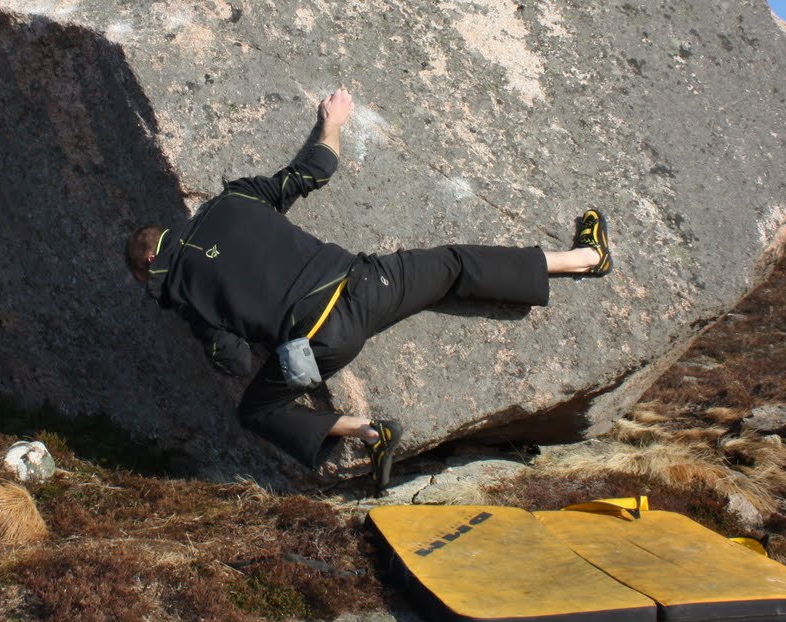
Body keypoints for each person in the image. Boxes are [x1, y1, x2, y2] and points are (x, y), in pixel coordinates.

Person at [125, 87, 611, 492]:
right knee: (453, 265)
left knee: (255, 410)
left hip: (318, 344)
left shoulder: (183, 297)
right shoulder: (231, 200)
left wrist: (215, 331)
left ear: (151, 263)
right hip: (363, 283)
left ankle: (366, 431)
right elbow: (314, 171)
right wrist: (332, 120)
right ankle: (585, 259)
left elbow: (234, 360)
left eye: (148, 284)